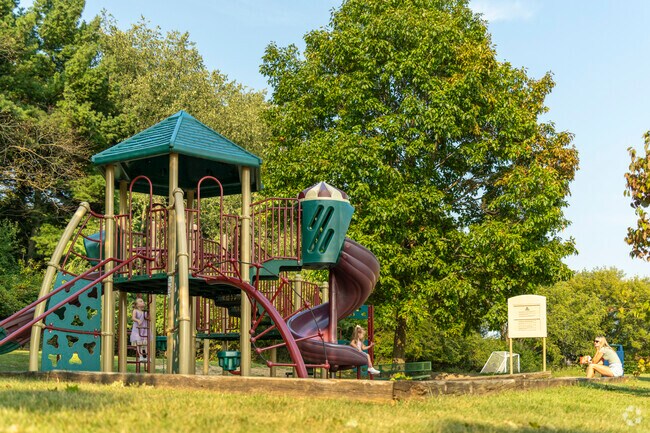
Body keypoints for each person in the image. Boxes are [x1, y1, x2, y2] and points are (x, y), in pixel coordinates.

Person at [130, 297, 149, 362]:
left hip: (144, 328)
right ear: (137, 304)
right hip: (137, 329)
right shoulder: (135, 310)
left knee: (145, 343)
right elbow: (133, 318)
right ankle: (140, 356)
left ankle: (146, 356)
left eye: (143, 301)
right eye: (140, 301)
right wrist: (137, 320)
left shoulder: (145, 311)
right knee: (139, 343)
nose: (143, 302)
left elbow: (148, 318)